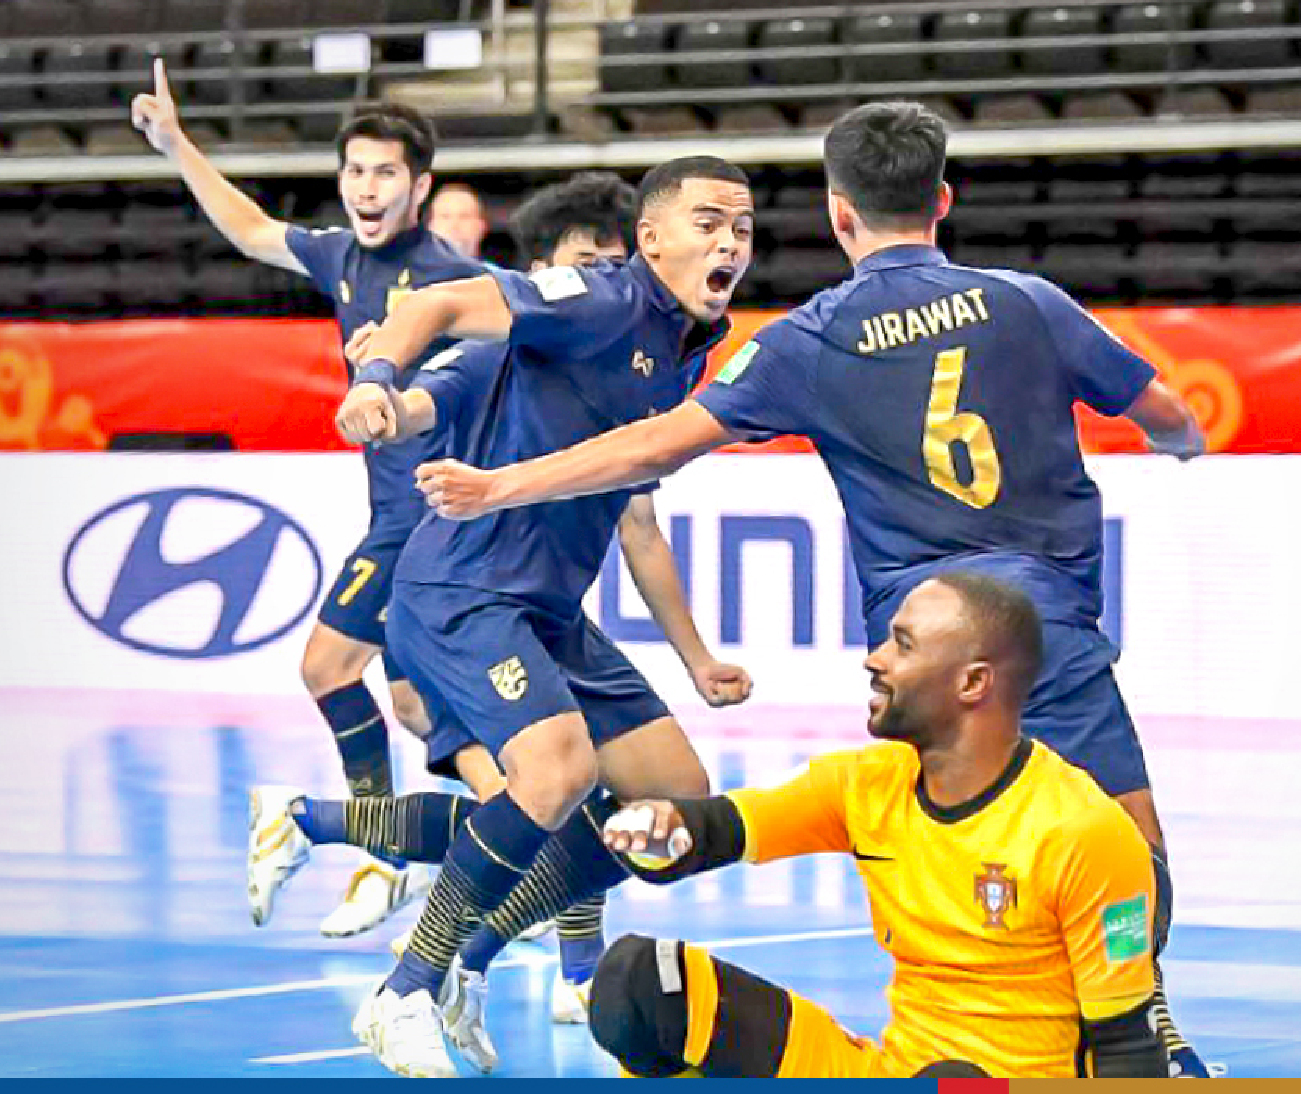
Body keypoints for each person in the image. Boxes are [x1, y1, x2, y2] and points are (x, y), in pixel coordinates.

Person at [405, 101, 1217, 1075]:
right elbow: (1166, 412)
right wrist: (1179, 441)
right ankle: (1141, 1026)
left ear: (838, 216)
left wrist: (502, 483)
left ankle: (475, 953)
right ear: (942, 199)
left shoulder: (806, 337)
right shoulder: (1028, 301)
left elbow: (648, 446)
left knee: (859, 834)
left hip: (914, 646)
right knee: (1130, 851)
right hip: (1041, 628)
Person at [278, 155, 756, 1077]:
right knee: (555, 766)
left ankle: (474, 957)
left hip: (545, 609)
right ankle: (406, 986)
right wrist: (378, 378)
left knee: (676, 808)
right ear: (651, 240)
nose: (729, 241)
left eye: (741, 226)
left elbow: (637, 515)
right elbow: (441, 307)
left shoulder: (685, 343)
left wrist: (695, 657)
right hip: (464, 587)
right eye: (708, 222)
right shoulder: (602, 301)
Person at [130, 65, 483, 938]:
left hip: (429, 522)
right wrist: (177, 143)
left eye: (386, 173)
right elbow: (250, 229)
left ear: (421, 186)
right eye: (355, 171)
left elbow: (491, 376)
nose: (367, 188)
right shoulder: (342, 254)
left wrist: (402, 365)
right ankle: (528, 850)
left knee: (327, 668)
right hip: (397, 519)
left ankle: (383, 855)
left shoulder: (450, 279)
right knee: (419, 711)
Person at [591, 572, 1168, 1078]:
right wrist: (665, 832)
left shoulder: (1083, 830)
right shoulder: (867, 782)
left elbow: (1126, 1045)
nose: (875, 658)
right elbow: (726, 826)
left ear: (972, 683)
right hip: (895, 1069)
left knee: (955, 1079)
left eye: (903, 645)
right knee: (640, 984)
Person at [430, 182, 489, 260]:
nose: (454, 226)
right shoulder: (412, 271)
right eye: (445, 216)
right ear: (431, 227)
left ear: (481, 226)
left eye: (464, 216)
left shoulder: (497, 272)